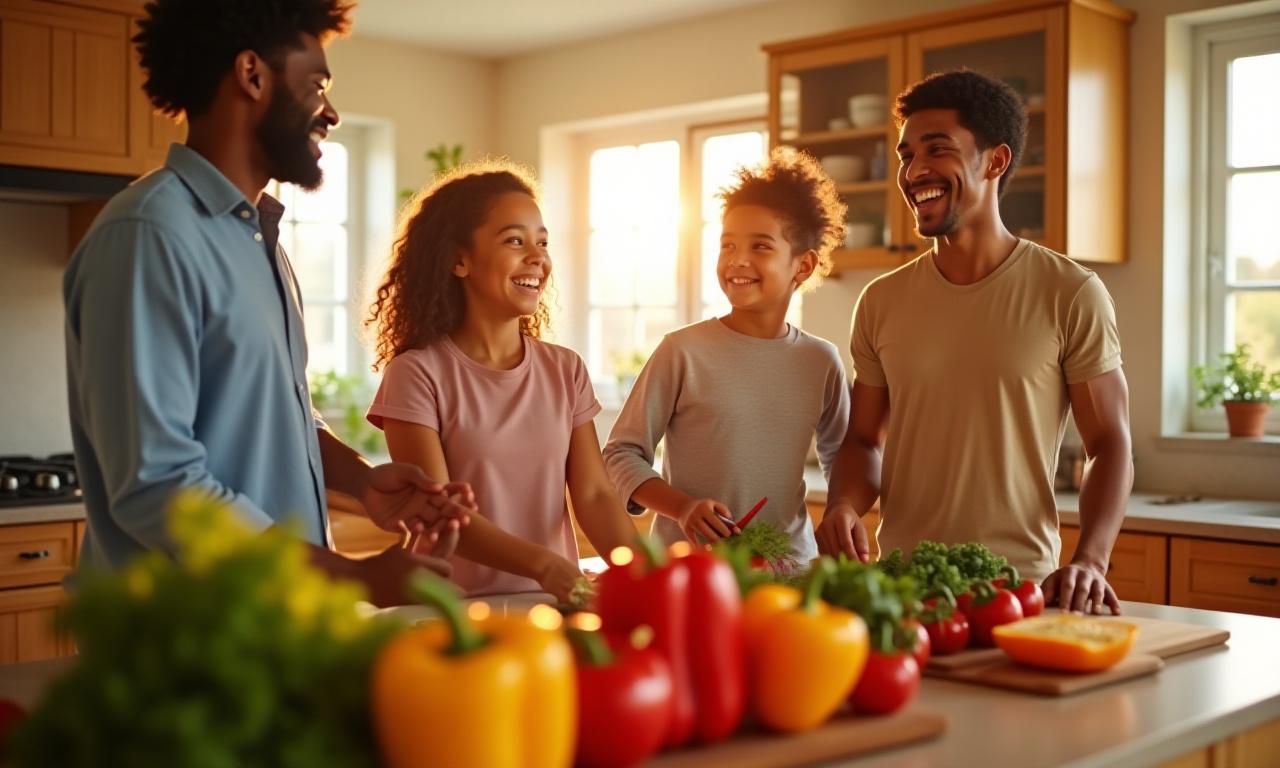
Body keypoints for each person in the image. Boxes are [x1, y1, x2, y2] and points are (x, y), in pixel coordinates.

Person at [64, 0, 469, 606]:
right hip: (178, 649)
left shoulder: (260, 238)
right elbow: (158, 484)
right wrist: (353, 577)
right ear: (251, 75)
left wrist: (364, 481)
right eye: (316, 86)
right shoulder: (149, 235)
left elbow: (280, 412)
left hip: (273, 631)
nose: (329, 112)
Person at [815, 69, 1133, 614]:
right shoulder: (881, 301)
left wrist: (1091, 560)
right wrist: (843, 505)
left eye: (936, 150)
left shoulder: (1070, 291)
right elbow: (864, 439)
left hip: (1017, 591)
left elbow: (1111, 444)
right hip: (902, 590)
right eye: (905, 155)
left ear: (995, 160)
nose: (914, 171)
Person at [365, 160, 637, 602]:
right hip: (450, 612)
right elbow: (440, 511)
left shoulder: (565, 369)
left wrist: (647, 575)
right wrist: (546, 565)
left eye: (542, 242)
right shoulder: (416, 374)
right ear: (459, 260)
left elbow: (594, 494)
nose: (538, 257)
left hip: (553, 604)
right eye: (515, 240)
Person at [603, 149, 851, 566]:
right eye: (727, 245)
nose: (737, 259)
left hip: (789, 569)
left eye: (760, 246)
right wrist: (682, 506)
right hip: (692, 568)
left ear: (803, 266)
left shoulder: (821, 361)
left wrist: (843, 508)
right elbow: (620, 453)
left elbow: (843, 455)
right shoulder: (681, 351)